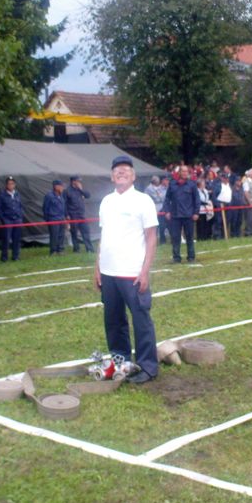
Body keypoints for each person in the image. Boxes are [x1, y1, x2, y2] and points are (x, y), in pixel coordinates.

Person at [94, 155, 159, 384]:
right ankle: (120, 361)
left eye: (125, 169)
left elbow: (151, 237)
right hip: (109, 272)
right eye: (117, 170)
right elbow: (103, 237)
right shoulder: (106, 202)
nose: (121, 172)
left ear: (133, 175)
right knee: (113, 321)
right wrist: (98, 268)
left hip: (132, 272)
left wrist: (145, 271)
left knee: (141, 320)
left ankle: (148, 367)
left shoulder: (143, 201)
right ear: (112, 176)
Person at [163, 164, 200, 263]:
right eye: (182, 171)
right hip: (175, 216)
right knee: (175, 238)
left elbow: (197, 199)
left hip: (189, 215)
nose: (184, 173)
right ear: (179, 172)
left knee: (189, 238)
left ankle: (191, 257)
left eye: (186, 171)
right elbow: (167, 199)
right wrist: (166, 211)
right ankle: (176, 258)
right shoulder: (172, 184)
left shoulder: (192, 184)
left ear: (188, 173)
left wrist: (196, 212)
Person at [0, 176, 24, 261]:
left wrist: (20, 216)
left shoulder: (17, 194)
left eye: (12, 183)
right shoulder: (2, 195)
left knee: (17, 239)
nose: (10, 185)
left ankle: (15, 256)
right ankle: (4, 257)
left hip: (17, 220)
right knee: (6, 240)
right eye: (9, 184)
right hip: (7, 220)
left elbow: (20, 206)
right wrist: (3, 219)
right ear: (6, 185)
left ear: (14, 185)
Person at [65, 175, 94, 252]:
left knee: (86, 231)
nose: (79, 182)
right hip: (73, 215)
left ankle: (89, 249)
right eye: (78, 181)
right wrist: (67, 215)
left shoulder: (80, 190)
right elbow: (64, 204)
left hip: (81, 214)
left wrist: (81, 189)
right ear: (73, 181)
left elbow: (88, 196)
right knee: (74, 232)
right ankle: (76, 249)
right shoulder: (67, 191)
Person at [43, 180, 67, 256]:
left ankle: (60, 250)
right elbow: (45, 208)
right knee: (54, 235)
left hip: (61, 218)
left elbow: (63, 207)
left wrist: (65, 218)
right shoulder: (49, 196)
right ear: (56, 186)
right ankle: (53, 251)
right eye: (61, 186)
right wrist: (47, 219)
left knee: (61, 235)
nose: (62, 188)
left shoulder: (61, 196)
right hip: (53, 219)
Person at [145, 175, 168, 245]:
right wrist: (161, 196)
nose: (158, 181)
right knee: (155, 226)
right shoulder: (149, 188)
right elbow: (158, 198)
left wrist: (161, 196)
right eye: (156, 180)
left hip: (161, 209)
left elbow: (164, 197)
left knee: (162, 225)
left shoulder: (160, 188)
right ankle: (152, 241)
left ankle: (162, 240)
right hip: (154, 209)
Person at [211, 172, 232, 239]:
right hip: (220, 205)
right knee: (218, 221)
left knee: (227, 221)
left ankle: (224, 235)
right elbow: (214, 196)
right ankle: (217, 236)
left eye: (227, 178)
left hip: (228, 205)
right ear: (222, 178)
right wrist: (218, 205)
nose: (226, 179)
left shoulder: (229, 186)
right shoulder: (218, 186)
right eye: (224, 178)